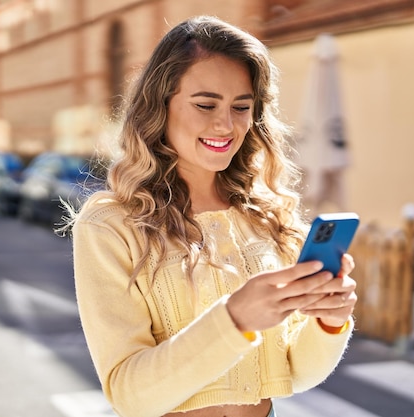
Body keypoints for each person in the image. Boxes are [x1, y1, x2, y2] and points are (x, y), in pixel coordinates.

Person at [69, 15, 357, 417]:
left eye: (242, 106)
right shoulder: (111, 225)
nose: (226, 124)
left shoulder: (265, 214)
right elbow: (129, 395)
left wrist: (329, 322)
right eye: (205, 104)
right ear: (159, 105)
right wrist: (236, 319)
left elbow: (292, 373)